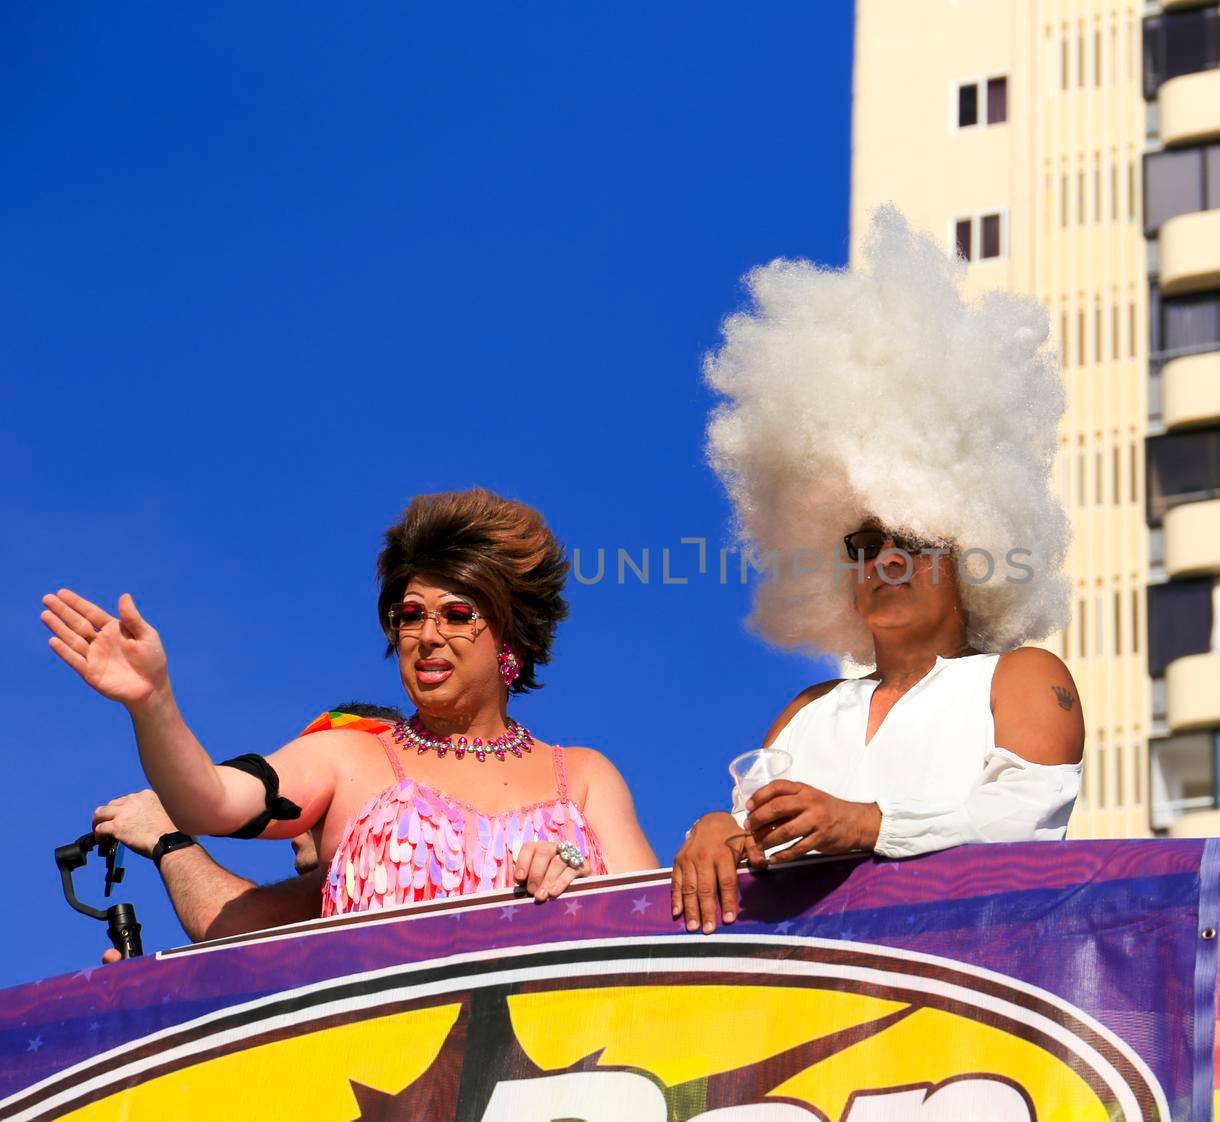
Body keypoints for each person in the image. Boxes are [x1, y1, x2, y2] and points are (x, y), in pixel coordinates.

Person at [674, 206, 1084, 933]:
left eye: (910, 537)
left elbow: (1020, 820)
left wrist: (869, 824)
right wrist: (715, 833)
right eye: (862, 545)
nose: (885, 560)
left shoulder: (1020, 678)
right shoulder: (809, 712)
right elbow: (755, 843)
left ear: (969, 544)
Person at [43, 489, 657, 916]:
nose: (427, 635)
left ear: (511, 638)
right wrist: (153, 702)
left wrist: (579, 878)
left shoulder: (583, 777)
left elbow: (654, 927)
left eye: (458, 615)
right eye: (410, 616)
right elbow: (208, 800)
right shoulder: (346, 760)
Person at [92, 705, 402, 962]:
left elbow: (241, 926)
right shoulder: (343, 895)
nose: (298, 826)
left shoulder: (387, 865)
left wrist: (167, 837)